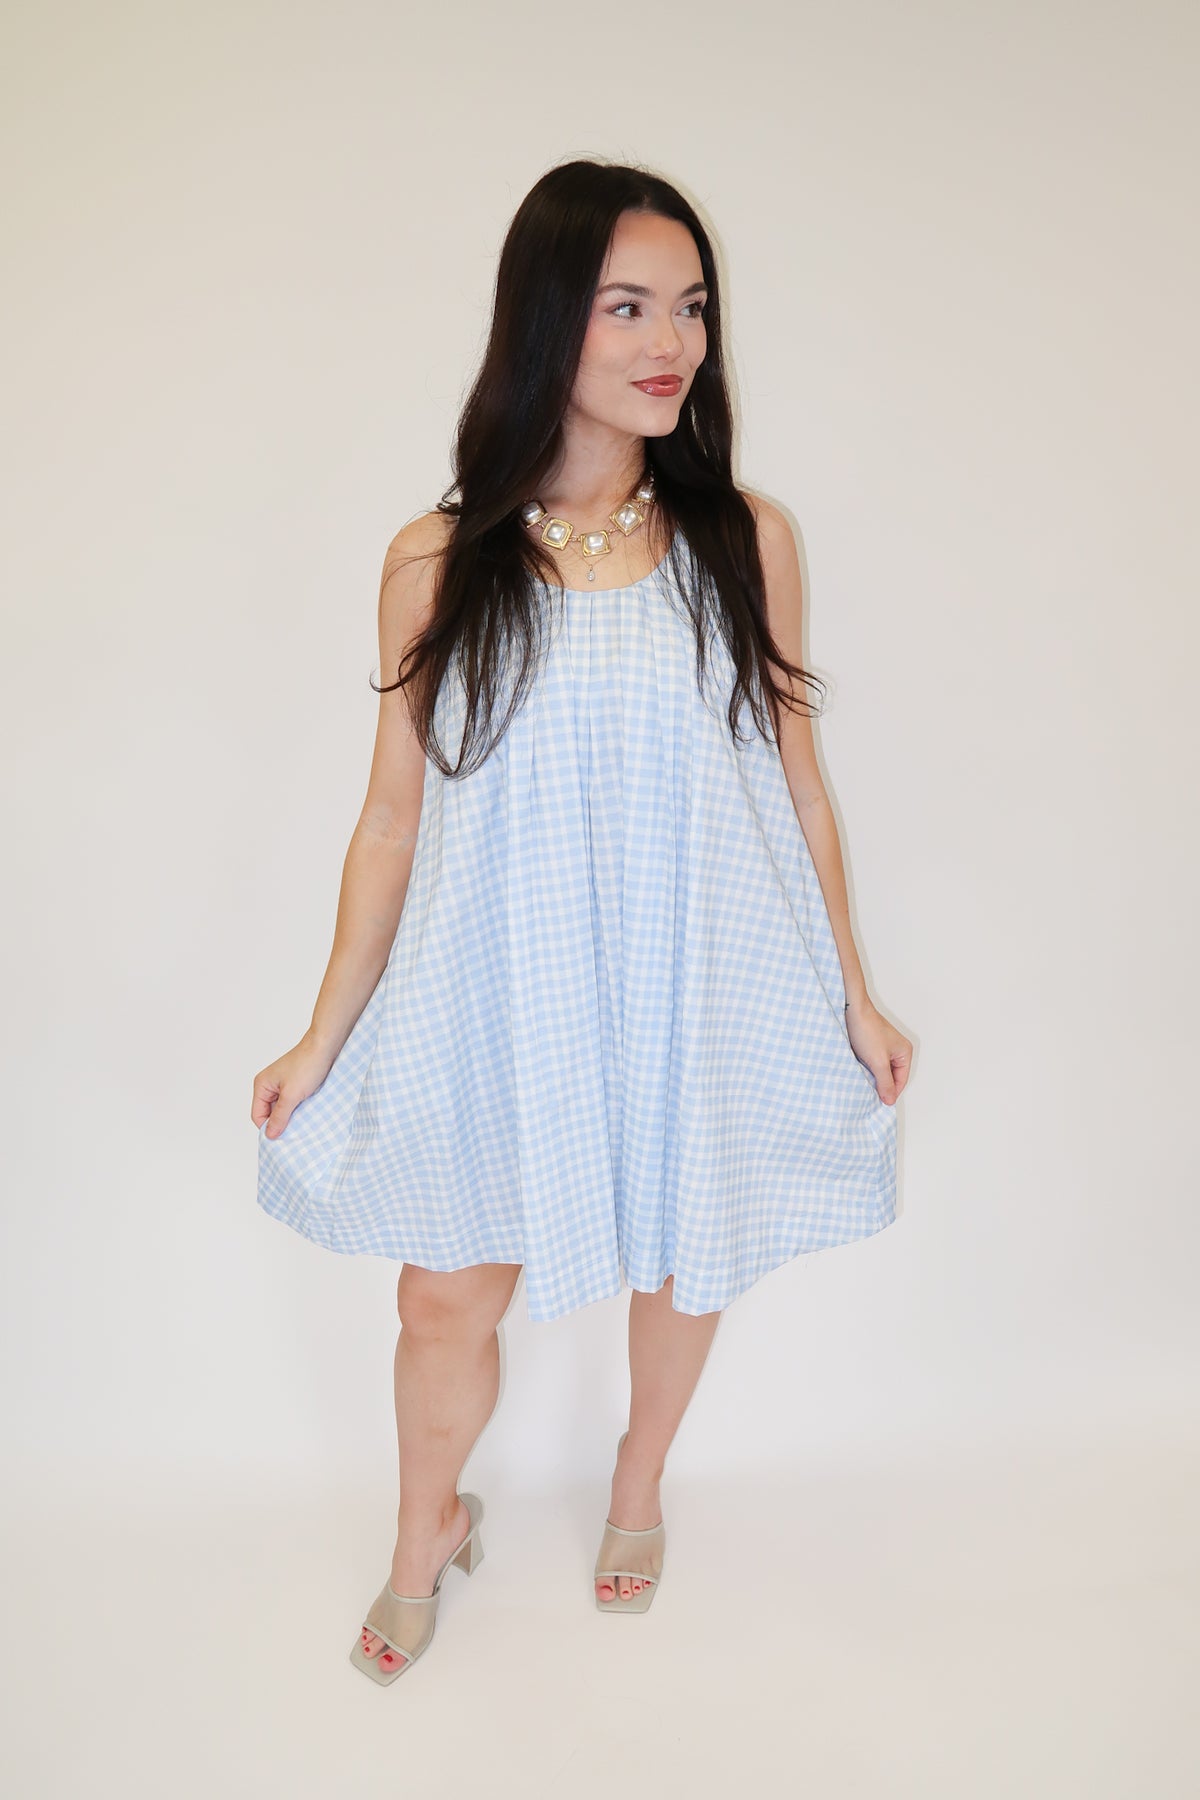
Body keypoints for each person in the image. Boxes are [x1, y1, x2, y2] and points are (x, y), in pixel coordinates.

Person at [251, 157, 913, 1686]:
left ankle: (637, 1483)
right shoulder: (437, 563)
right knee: (442, 1292)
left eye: (690, 306)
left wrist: (854, 993)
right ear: (547, 320)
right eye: (627, 307)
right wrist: (320, 1033)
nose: (670, 340)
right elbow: (392, 820)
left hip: (696, 970)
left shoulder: (745, 540)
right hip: (503, 985)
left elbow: (797, 787)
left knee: (687, 1251)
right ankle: (427, 1530)